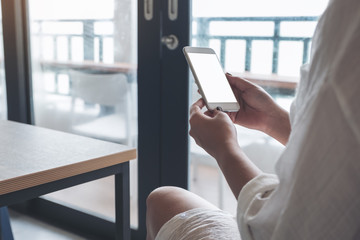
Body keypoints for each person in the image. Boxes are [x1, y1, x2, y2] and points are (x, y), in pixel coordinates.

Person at [146, 0, 360, 239]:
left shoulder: (350, 20)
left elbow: (287, 227)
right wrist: (273, 120)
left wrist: (225, 150)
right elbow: (342, 150)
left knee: (161, 201)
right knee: (163, 199)